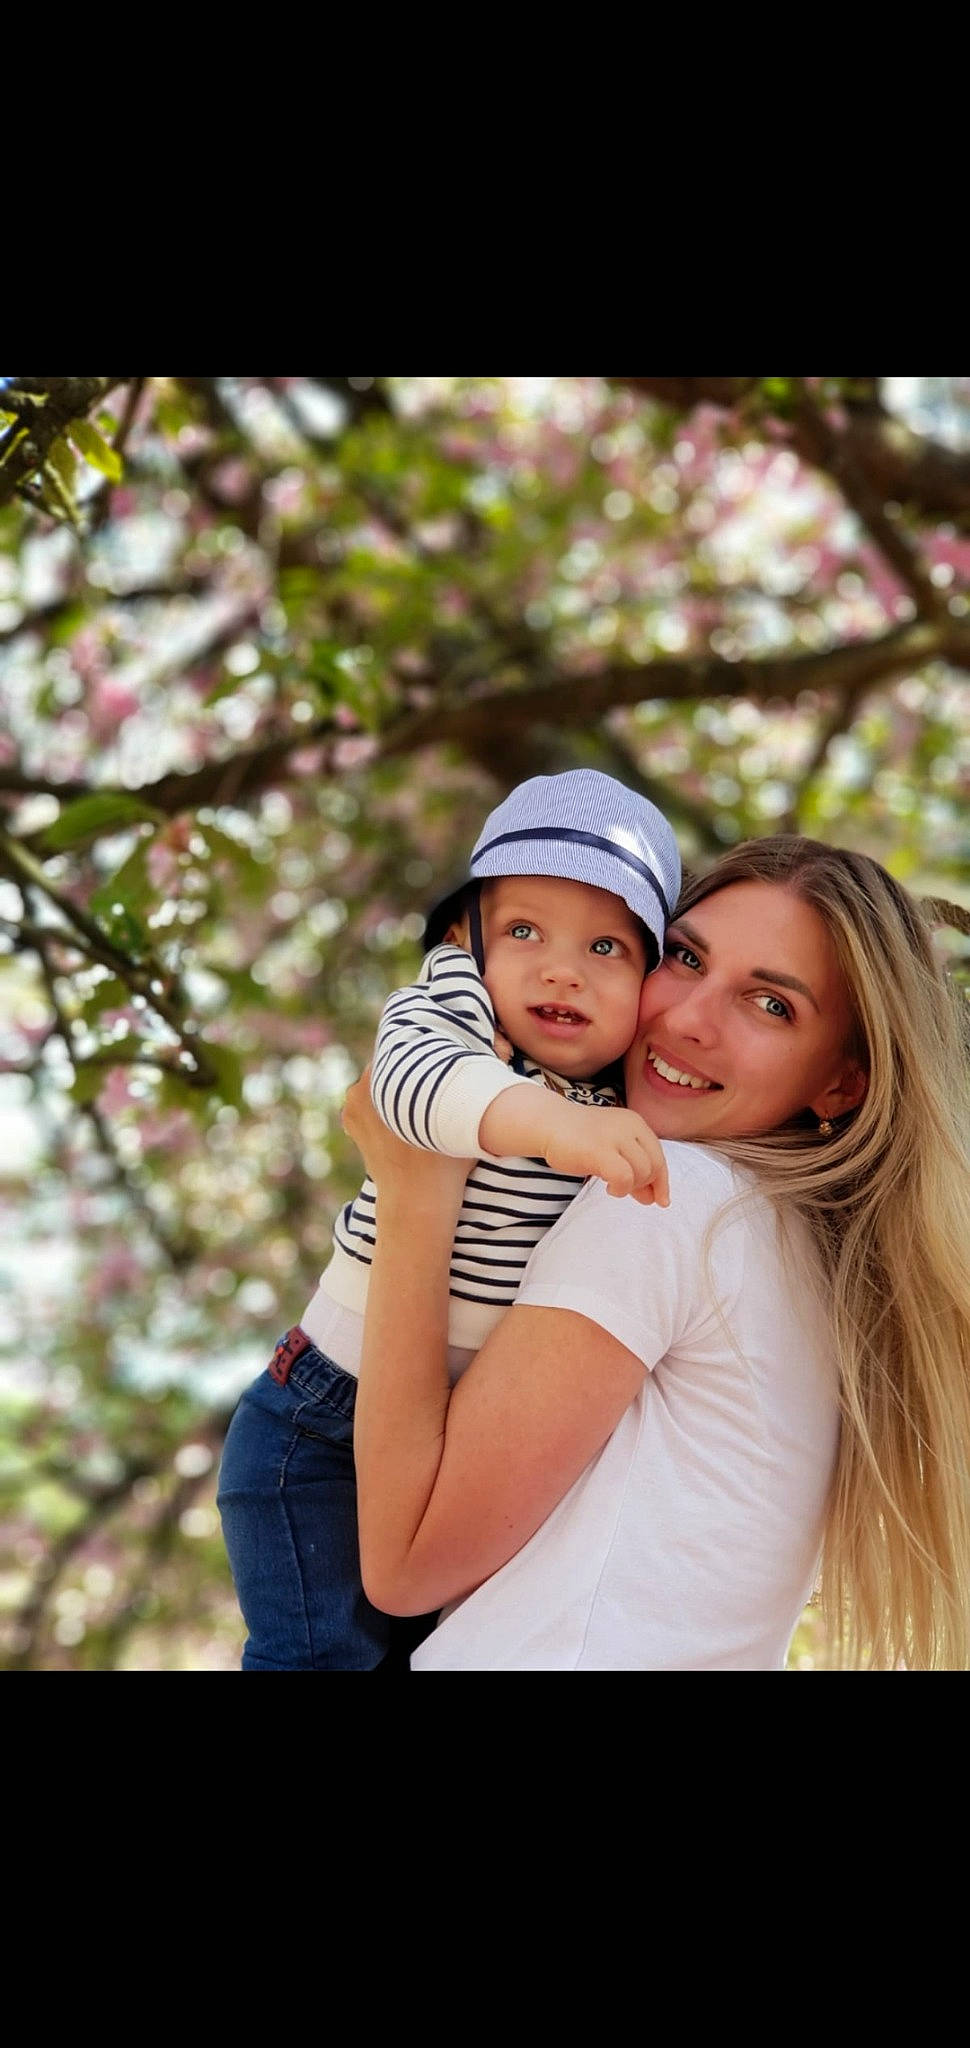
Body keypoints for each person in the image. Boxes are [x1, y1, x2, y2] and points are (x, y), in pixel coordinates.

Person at [343, 835, 970, 1671]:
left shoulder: (673, 1201)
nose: (686, 1019)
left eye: (770, 1004)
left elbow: (406, 1561)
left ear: (842, 1084)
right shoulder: (812, 1267)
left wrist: (417, 1188)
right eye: (684, 957)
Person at [216, 769, 682, 1669]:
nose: (560, 968)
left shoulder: (620, 1090)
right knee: (317, 1658)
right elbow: (411, 1088)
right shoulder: (458, 1019)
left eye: (608, 949)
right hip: (321, 1426)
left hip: (447, 1438)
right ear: (461, 944)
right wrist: (555, 1126)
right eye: (523, 931)